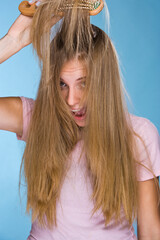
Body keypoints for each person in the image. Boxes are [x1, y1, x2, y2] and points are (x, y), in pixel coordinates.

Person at [0, 0, 160, 239]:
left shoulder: (138, 134)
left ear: (105, 81)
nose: (72, 100)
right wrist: (13, 42)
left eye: (83, 83)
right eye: (62, 84)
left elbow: (150, 233)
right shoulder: (38, 118)